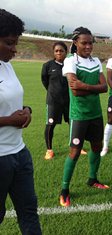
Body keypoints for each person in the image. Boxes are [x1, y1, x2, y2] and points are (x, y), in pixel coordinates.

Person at [0, 8, 42, 234]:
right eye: (9, 43)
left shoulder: (7, 66)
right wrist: (8, 120)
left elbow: (15, 101)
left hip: (19, 153)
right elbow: (8, 114)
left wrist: (27, 110)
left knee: (29, 213)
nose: (14, 49)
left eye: (15, 43)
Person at [59, 27, 109, 207]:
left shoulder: (96, 61)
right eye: (84, 42)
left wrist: (84, 85)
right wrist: (92, 87)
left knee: (97, 147)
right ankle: (64, 189)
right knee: (75, 151)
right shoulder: (70, 61)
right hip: (79, 115)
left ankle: (92, 179)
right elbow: (75, 90)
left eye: (90, 43)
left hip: (95, 113)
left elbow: (104, 88)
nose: (88, 46)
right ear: (75, 43)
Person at [41, 42, 87, 160]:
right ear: (53, 52)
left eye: (61, 51)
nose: (58, 53)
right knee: (50, 125)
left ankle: (77, 147)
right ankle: (49, 150)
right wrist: (53, 92)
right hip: (53, 102)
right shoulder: (48, 66)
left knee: (73, 124)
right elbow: (45, 81)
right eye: (56, 51)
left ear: (66, 52)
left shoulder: (70, 65)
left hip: (69, 101)